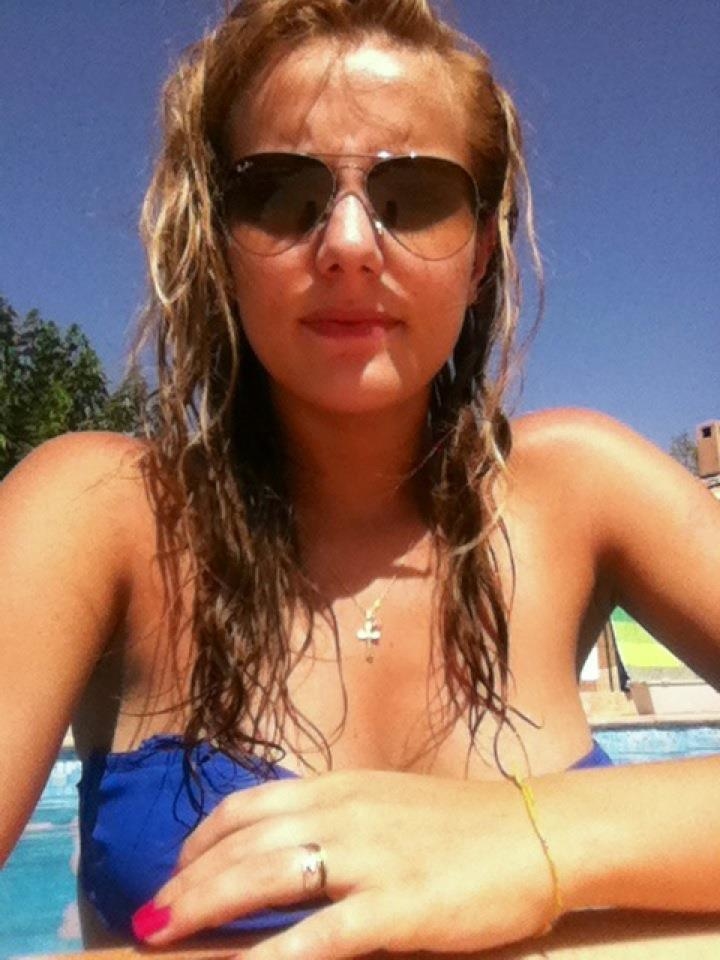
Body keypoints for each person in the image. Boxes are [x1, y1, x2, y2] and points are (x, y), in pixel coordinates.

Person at [2, 0, 719, 956]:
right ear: (219, 243)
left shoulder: (582, 492)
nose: (346, 242)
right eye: (281, 194)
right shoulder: (98, 516)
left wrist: (528, 837)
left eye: (413, 196)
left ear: (481, 257)